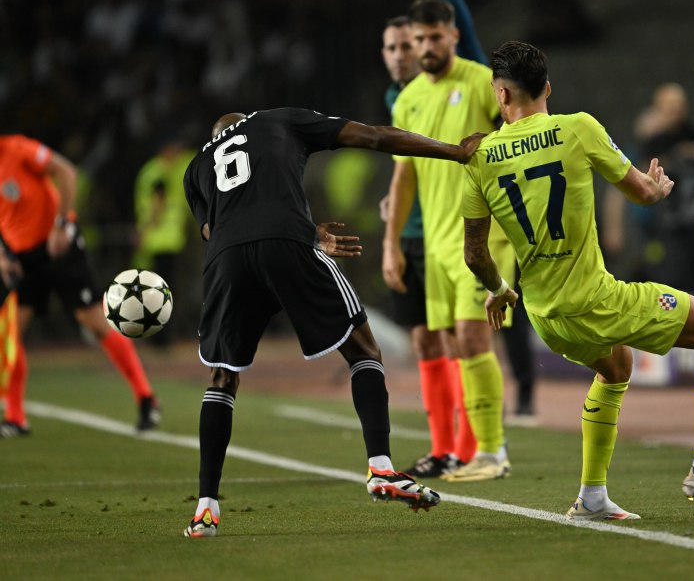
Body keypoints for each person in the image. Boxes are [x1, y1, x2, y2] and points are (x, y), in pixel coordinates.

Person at [461, 41, 694, 520]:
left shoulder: (479, 157)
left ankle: (592, 498)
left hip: (545, 316)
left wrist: (501, 290)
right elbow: (644, 192)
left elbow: (475, 254)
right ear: (547, 88)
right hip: (596, 301)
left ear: (500, 95)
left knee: (617, 368)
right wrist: (659, 188)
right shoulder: (577, 128)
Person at [181, 107, 482, 538]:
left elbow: (211, 230)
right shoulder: (277, 119)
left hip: (226, 260)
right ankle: (381, 468)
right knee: (363, 349)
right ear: (246, 120)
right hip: (286, 242)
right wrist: (454, 151)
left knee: (222, 378)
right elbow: (375, 136)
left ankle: (205, 508)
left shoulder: (195, 168)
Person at [380, 0, 535, 477]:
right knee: (449, 343)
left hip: (484, 236)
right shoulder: (406, 101)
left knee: (472, 338)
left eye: (434, 37)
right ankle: (465, 450)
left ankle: (494, 451)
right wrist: (390, 243)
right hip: (438, 242)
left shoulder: (479, 82)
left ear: (450, 35)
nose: (425, 47)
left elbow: (524, 129)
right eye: (417, 39)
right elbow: (403, 174)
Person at [0, 134, 161, 438]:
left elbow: (66, 171)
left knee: (95, 323)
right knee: (11, 333)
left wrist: (62, 225)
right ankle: (15, 417)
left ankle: (146, 398)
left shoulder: (17, 149)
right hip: (22, 258)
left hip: (58, 247)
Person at [133, 139, 193, 344]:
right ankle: (161, 338)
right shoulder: (159, 172)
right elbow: (159, 203)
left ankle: (157, 336)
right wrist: (144, 230)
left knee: (155, 289)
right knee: (162, 290)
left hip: (162, 241)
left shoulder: (152, 170)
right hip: (162, 241)